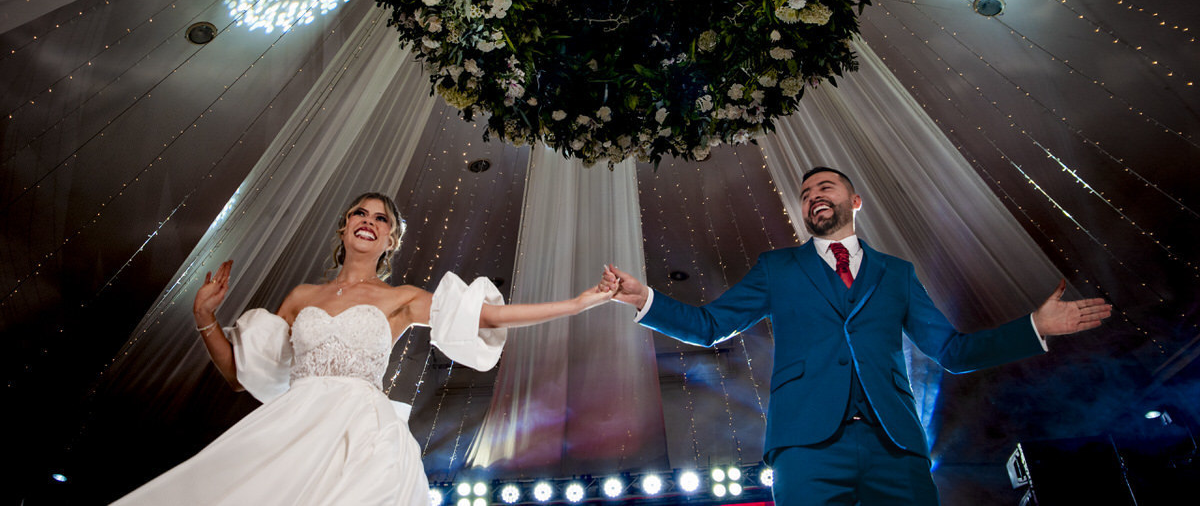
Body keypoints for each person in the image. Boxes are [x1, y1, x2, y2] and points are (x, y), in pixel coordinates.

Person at [602, 166, 1113, 506]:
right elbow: (711, 326)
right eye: (805, 194)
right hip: (806, 446)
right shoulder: (777, 269)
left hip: (896, 445)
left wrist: (1035, 327)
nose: (814, 196)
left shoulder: (898, 274)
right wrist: (645, 297)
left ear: (855, 200)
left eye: (825, 188)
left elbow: (953, 353)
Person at [113, 191, 613, 505]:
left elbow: (489, 316)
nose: (369, 220)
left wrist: (577, 302)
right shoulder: (301, 297)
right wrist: (205, 317)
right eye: (360, 212)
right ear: (344, 226)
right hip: (294, 424)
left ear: (390, 239)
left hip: (361, 429)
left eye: (381, 218)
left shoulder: (401, 299)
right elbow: (238, 375)